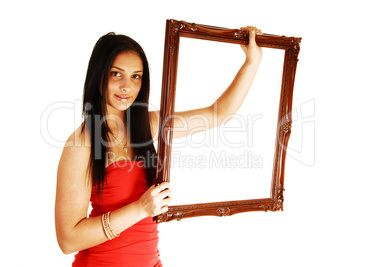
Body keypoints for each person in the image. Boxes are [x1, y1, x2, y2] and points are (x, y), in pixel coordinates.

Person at [55, 26, 263, 266]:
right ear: (98, 75)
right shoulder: (81, 144)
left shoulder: (148, 124)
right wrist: (141, 209)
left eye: (136, 76)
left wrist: (252, 62)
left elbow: (218, 115)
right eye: (116, 74)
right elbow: (68, 240)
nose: (127, 86)